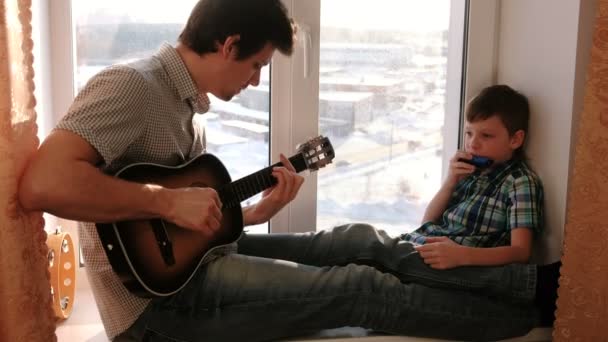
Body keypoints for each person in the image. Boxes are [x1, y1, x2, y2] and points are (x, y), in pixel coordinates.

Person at [18, 0, 559, 341]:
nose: (255, 81)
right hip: (160, 309)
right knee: (359, 288)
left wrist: (253, 213)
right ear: (228, 44)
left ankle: (516, 281)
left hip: (199, 265)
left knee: (357, 238)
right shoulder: (133, 86)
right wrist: (163, 199)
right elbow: (44, 183)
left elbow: (182, 228)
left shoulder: (187, 105)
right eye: (255, 65)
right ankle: (522, 315)